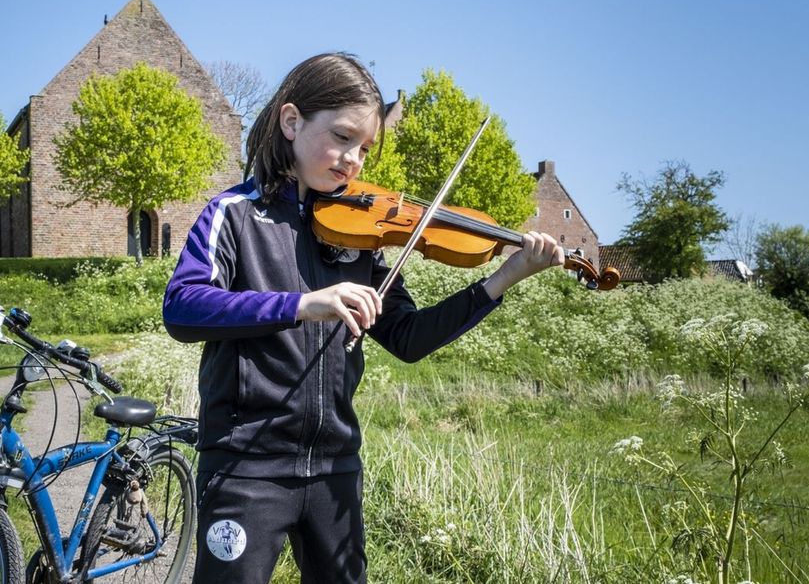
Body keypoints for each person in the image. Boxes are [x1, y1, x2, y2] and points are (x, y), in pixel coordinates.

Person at [162, 52, 563, 583]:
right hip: (245, 467)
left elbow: (408, 338)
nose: (354, 160)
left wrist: (504, 278)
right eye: (343, 137)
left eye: (366, 148)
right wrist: (302, 304)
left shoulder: (364, 236)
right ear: (291, 121)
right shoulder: (234, 215)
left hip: (335, 469)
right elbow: (184, 306)